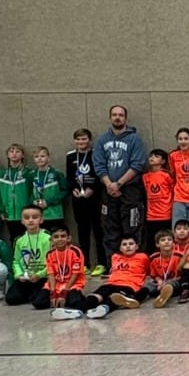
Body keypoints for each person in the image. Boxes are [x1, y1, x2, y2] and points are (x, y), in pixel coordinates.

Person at [92, 105, 150, 271]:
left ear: (126, 118)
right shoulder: (102, 140)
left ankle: (135, 267)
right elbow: (98, 164)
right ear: (110, 117)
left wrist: (119, 183)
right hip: (108, 191)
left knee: (133, 228)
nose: (117, 117)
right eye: (114, 115)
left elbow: (138, 164)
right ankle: (114, 267)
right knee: (110, 229)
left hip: (130, 191)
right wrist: (109, 184)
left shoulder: (134, 139)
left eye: (121, 115)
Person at [50, 236, 144, 320]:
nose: (128, 246)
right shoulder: (115, 257)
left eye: (131, 244)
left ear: (136, 247)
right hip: (110, 283)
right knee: (95, 296)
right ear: (120, 248)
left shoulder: (142, 257)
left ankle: (103, 308)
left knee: (115, 298)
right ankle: (76, 311)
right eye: (124, 244)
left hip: (129, 285)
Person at [66, 129, 105, 269]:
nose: (81, 142)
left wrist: (93, 189)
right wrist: (73, 189)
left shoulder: (96, 154)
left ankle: (102, 263)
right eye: (78, 139)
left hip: (94, 197)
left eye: (84, 139)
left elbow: (100, 174)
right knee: (82, 231)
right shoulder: (70, 156)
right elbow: (69, 176)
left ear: (89, 140)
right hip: (78, 198)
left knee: (98, 230)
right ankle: (85, 263)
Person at [7, 206, 52, 307]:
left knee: (40, 302)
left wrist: (39, 275)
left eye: (35, 217)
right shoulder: (19, 240)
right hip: (26, 278)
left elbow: (53, 262)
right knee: (11, 299)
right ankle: (31, 294)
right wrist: (19, 275)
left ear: (41, 220)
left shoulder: (48, 238)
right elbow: (16, 261)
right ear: (22, 221)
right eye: (27, 218)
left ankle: (36, 294)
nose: (31, 220)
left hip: (43, 277)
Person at [34, 226, 87, 311]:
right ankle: (59, 300)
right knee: (38, 303)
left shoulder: (75, 251)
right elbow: (51, 274)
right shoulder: (50, 254)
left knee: (75, 302)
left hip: (72, 285)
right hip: (56, 284)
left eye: (63, 236)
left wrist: (65, 292)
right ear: (51, 240)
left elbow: (75, 274)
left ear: (69, 238)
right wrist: (53, 293)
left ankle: (69, 298)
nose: (60, 239)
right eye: (56, 237)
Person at [0, 144, 34, 239]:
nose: (14, 154)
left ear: (22, 155)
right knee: (14, 239)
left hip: (25, 213)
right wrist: (1, 210)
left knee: (28, 239)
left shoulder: (28, 173)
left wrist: (30, 208)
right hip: (8, 214)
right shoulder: (2, 174)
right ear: (7, 155)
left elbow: (33, 192)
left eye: (17, 151)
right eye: (11, 151)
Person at [142, 149, 175, 245]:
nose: (152, 158)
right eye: (151, 156)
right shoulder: (145, 176)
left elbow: (173, 190)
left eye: (156, 156)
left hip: (165, 213)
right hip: (151, 215)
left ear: (163, 161)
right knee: (152, 242)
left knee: (165, 240)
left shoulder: (166, 175)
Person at [144, 230, 184, 307]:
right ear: (157, 244)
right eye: (163, 240)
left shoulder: (180, 256)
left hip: (175, 283)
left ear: (173, 243)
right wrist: (159, 281)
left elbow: (183, 275)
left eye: (169, 239)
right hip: (160, 285)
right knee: (148, 284)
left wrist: (167, 283)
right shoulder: (153, 258)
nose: (166, 242)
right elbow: (154, 275)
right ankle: (137, 297)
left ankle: (164, 295)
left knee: (173, 284)